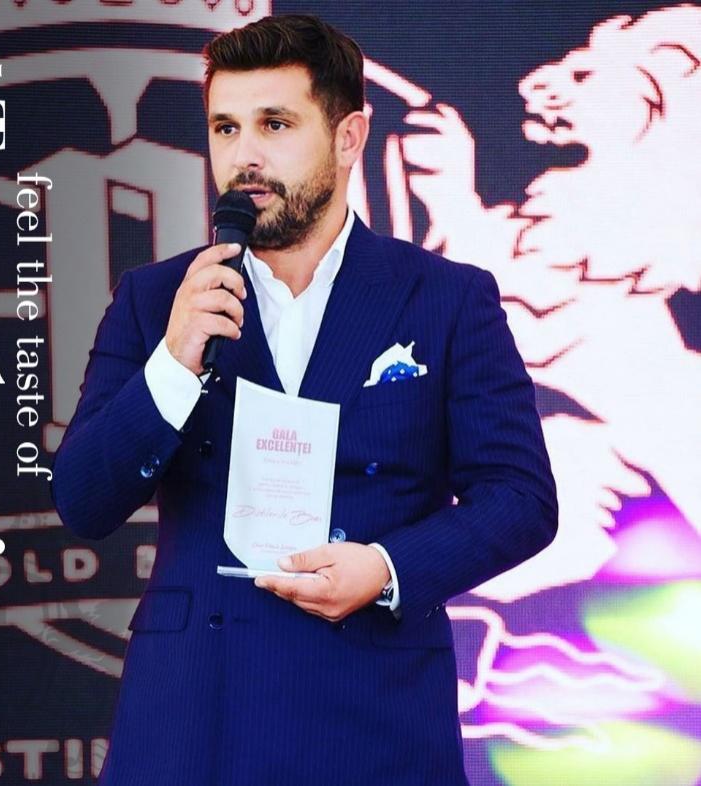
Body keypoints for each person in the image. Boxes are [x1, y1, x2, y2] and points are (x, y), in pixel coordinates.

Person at [50, 14, 558, 786]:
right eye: (225, 127)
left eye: (275, 124)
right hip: (192, 716)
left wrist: (385, 567)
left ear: (349, 137)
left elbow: (519, 498)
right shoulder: (157, 299)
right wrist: (172, 364)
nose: (243, 155)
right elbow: (83, 500)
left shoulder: (445, 298)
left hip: (374, 713)